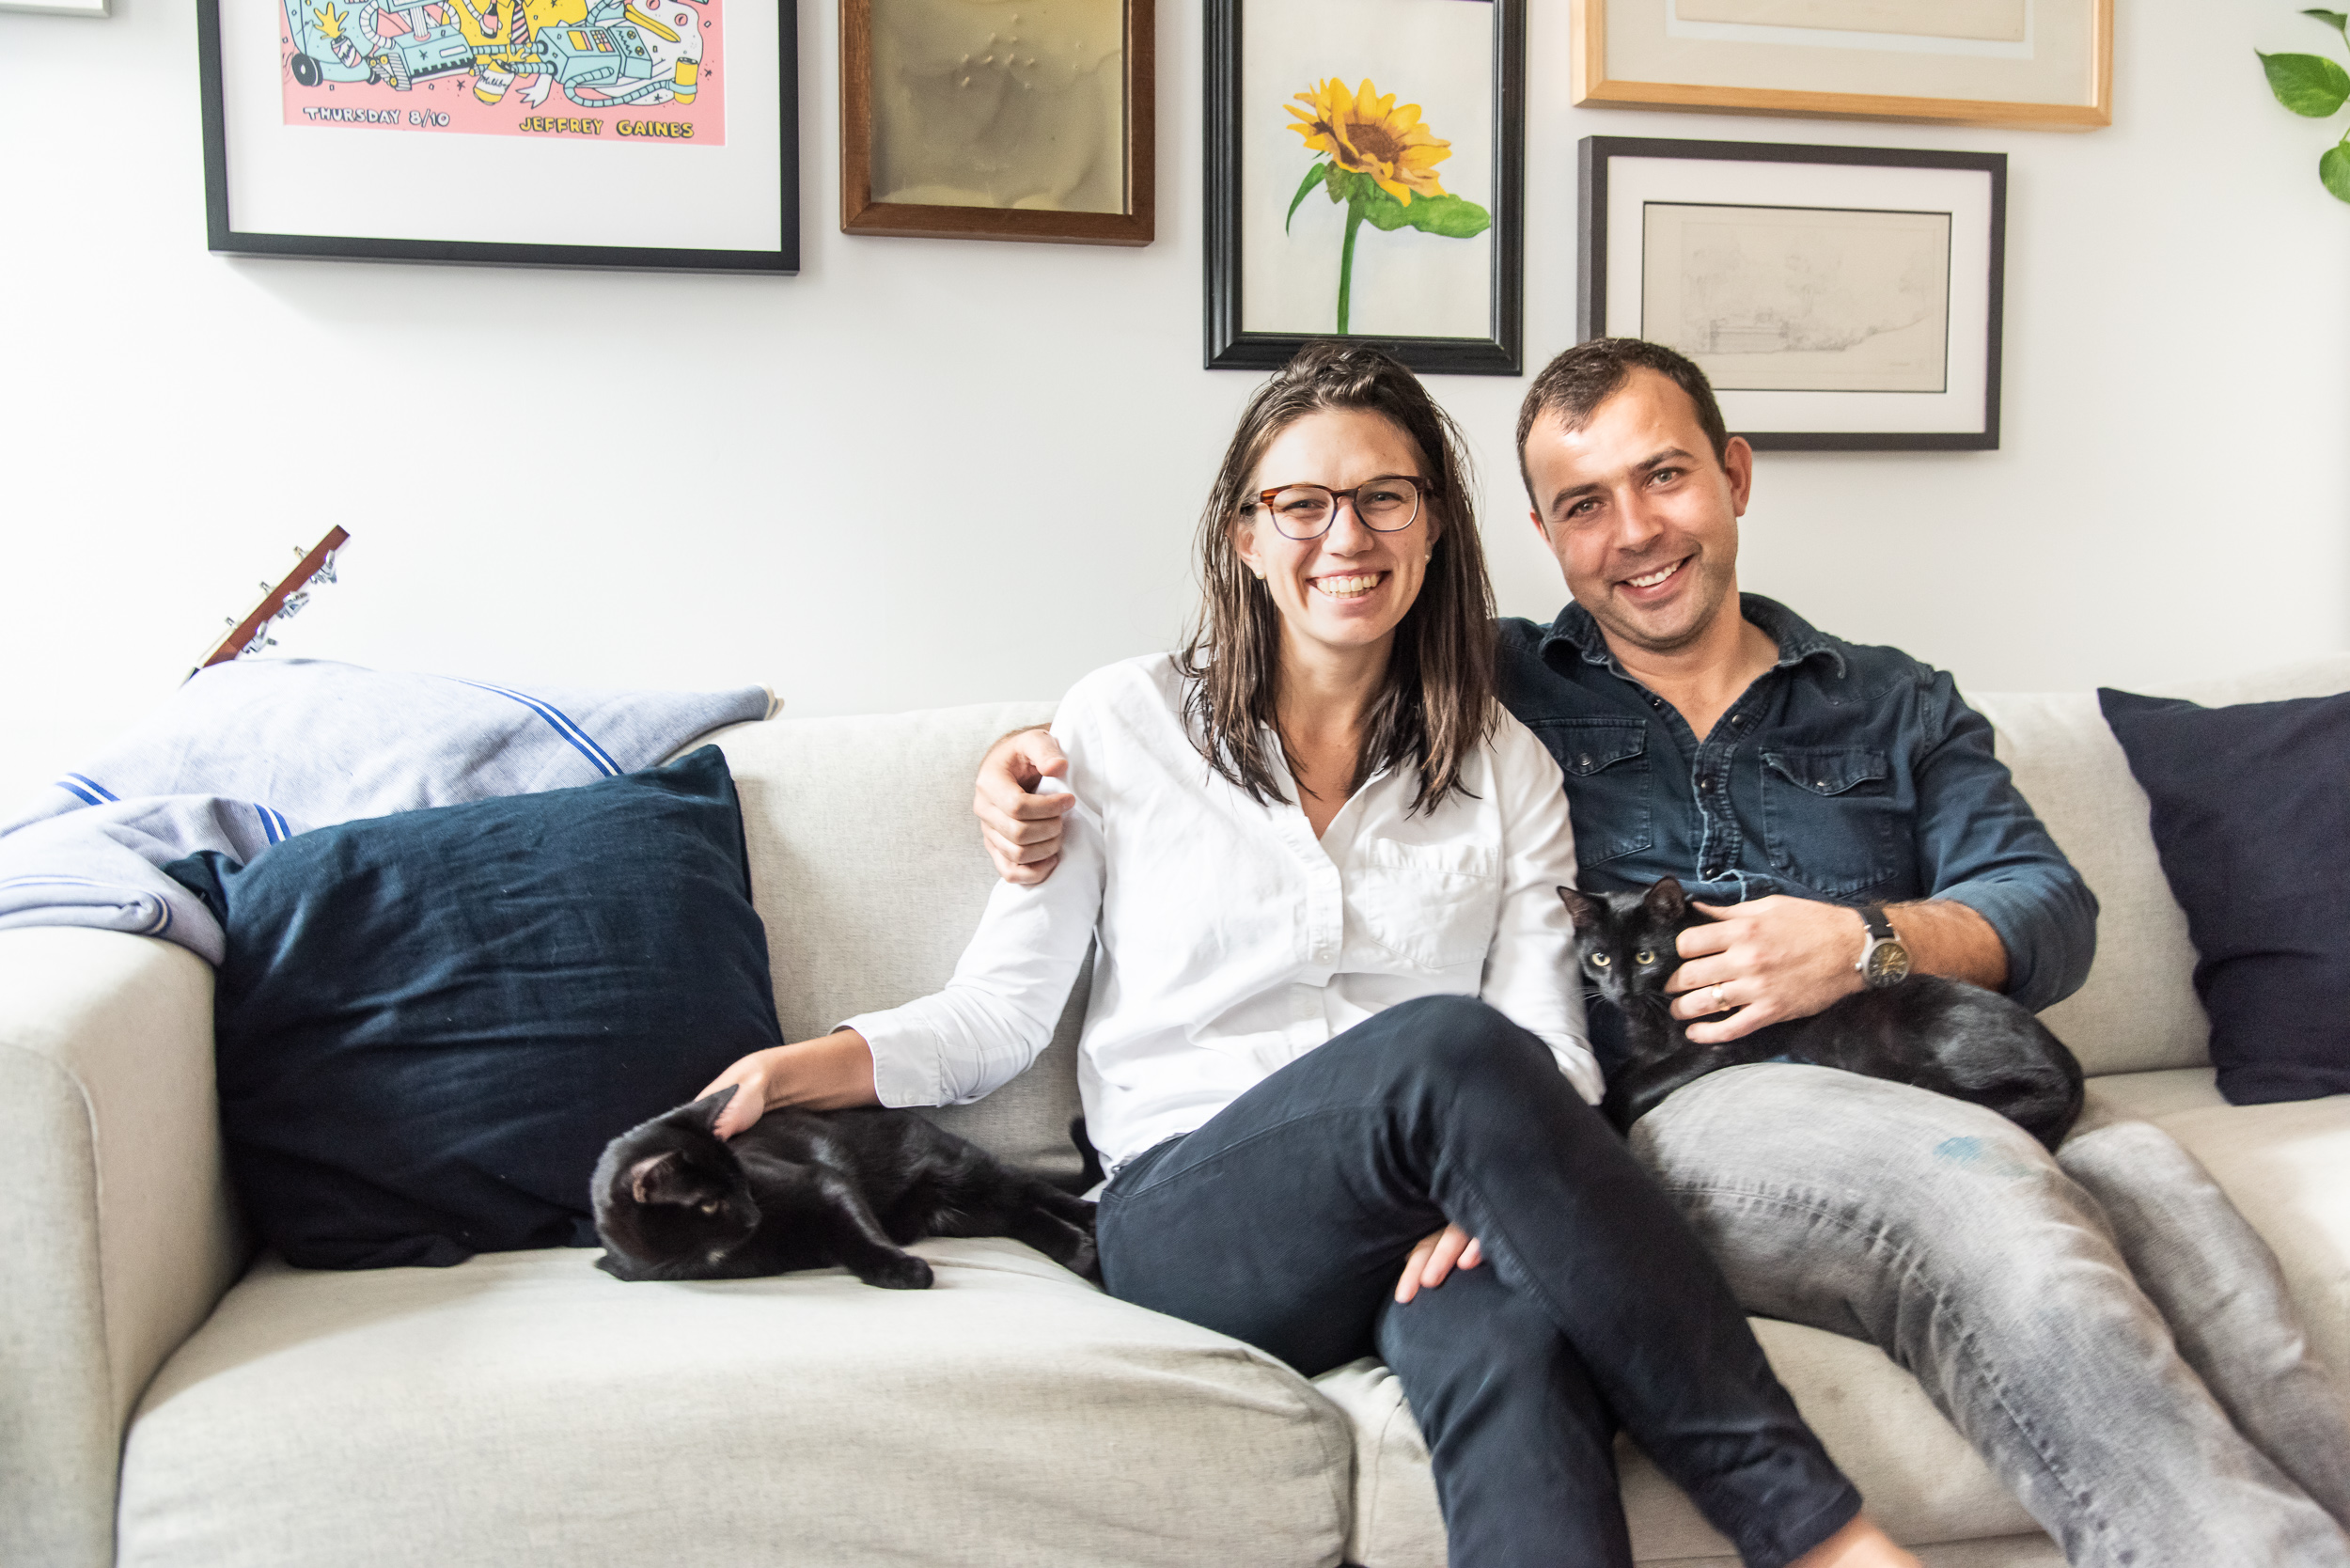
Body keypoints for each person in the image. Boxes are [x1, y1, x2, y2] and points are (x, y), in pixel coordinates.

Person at [974, 338, 2350, 1568]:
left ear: (1734, 475)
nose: (1634, 533)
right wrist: (1026, 768)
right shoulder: (1499, 691)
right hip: (1716, 1108)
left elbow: (2049, 911)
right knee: (1991, 1200)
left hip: (1941, 1053)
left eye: (1665, 478)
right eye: (1583, 506)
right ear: (1538, 536)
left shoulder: (1891, 696)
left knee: (2173, 1202)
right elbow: (1294, 665)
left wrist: (1865, 942)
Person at [702, 342, 1918, 1568]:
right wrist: (801, 1068)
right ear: (1244, 533)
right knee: (1448, 1047)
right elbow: (1003, 1013)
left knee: (1526, 1353)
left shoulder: (1507, 768)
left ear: (1433, 525)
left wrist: (1494, 1189)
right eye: (1303, 503)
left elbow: (1551, 1038)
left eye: (1386, 497)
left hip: (1432, 1209)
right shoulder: (1119, 728)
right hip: (1196, 1216)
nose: (1349, 535)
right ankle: (1815, 1533)